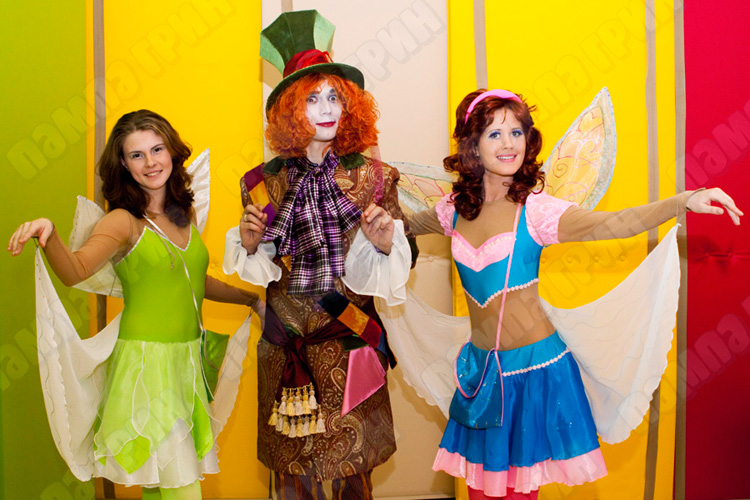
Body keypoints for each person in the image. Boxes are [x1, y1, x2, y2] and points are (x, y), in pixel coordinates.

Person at [404, 89, 744, 500]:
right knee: (481, 488)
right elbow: (405, 224)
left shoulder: (537, 210)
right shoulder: (455, 208)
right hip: (481, 372)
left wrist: (683, 201)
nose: (509, 143)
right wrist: (374, 222)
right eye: (494, 134)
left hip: (535, 374)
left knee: (518, 492)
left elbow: (615, 223)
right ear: (473, 145)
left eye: (516, 132)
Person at [8, 110, 262, 500]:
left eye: (157, 149)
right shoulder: (123, 222)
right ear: (124, 164)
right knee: (181, 485)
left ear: (172, 152)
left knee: (160, 484)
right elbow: (76, 270)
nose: (151, 162)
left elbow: (193, 281)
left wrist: (251, 299)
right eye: (137, 155)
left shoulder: (183, 214)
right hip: (147, 368)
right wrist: (50, 233)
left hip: (185, 362)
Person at [222, 10, 411, 499]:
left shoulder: (374, 177)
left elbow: (396, 263)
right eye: (311, 98)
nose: (326, 109)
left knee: (354, 475)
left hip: (351, 340)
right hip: (289, 352)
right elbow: (264, 265)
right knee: (293, 479)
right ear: (289, 109)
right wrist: (249, 246)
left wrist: (386, 245)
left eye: (334, 97)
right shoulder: (261, 183)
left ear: (350, 106)